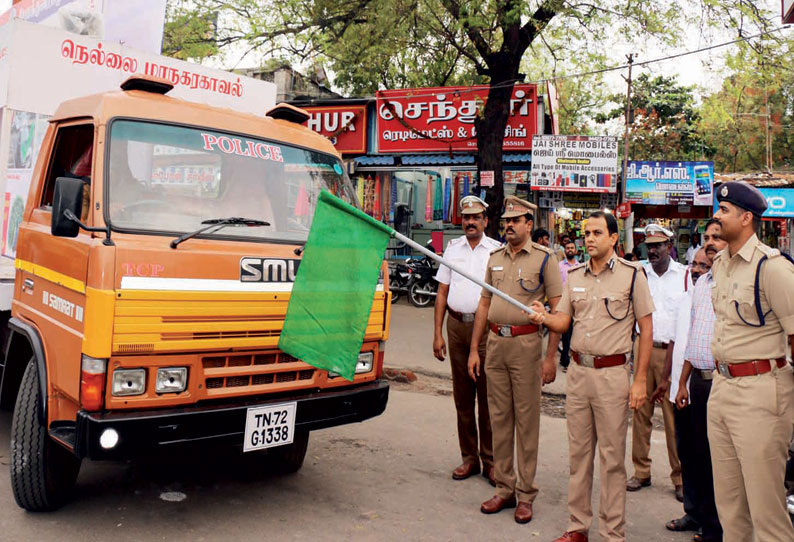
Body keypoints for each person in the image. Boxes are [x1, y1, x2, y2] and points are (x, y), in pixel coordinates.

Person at [527, 211, 654, 542]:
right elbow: (562, 322)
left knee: (612, 460)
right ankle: (577, 527)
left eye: (598, 232)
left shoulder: (631, 275)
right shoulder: (576, 276)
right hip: (579, 375)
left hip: (612, 375)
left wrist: (639, 380)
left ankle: (613, 533)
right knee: (578, 456)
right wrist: (544, 317)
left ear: (613, 238)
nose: (590, 238)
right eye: (587, 233)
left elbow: (647, 328)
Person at [467, 196, 563, 524]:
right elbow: (483, 304)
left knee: (526, 421)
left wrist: (550, 358)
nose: (509, 225)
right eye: (506, 220)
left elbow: (558, 310)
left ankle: (526, 493)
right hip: (495, 345)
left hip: (525, 347)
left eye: (515, 220)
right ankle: (504, 487)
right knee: (499, 419)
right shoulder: (494, 258)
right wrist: (473, 349)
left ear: (528, 224)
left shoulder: (543, 258)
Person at [708, 181, 794, 542]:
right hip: (722, 388)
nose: (716, 214)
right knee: (730, 510)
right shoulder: (720, 264)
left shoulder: (772, 268)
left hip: (761, 393)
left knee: (766, 512)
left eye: (724, 210)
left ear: (746, 218)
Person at [665, 221, 728, 542]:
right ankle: (698, 513)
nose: (711, 244)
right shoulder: (701, 287)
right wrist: (679, 384)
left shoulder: (732, 283)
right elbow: (689, 342)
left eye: (716, 238)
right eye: (706, 240)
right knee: (690, 451)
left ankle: (715, 526)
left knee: (714, 457)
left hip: (723, 382)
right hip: (693, 384)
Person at [433, 195, 501, 485]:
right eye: (466, 218)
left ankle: (491, 461)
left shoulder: (496, 251)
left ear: (485, 221)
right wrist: (437, 333)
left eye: (476, 217)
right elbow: (442, 293)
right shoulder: (452, 248)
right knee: (463, 399)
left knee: (487, 399)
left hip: (486, 330)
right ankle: (469, 458)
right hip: (457, 327)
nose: (470, 222)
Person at [628, 224, 687, 501]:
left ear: (670, 246)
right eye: (648, 245)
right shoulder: (639, 275)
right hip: (643, 348)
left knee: (674, 418)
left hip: (671, 352)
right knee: (640, 413)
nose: (652, 250)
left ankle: (680, 477)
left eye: (657, 245)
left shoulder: (685, 276)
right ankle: (641, 471)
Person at [558, 240, 579, 371]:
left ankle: (570, 358)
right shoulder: (559, 266)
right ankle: (565, 360)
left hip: (576, 304)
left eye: (572, 248)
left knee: (575, 332)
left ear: (575, 250)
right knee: (565, 333)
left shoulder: (580, 266)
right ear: (565, 250)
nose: (570, 250)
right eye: (568, 248)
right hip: (562, 304)